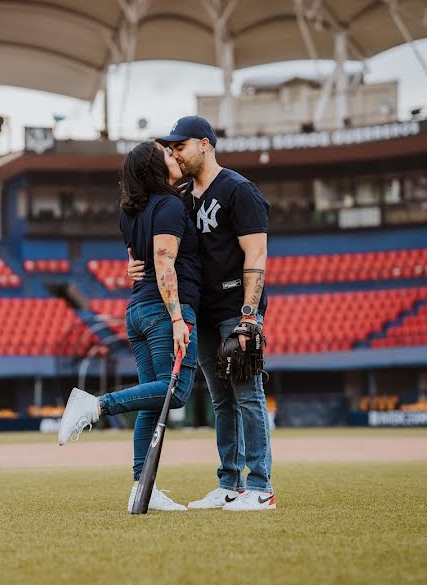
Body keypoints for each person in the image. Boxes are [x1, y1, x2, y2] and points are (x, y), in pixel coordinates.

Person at [129, 116, 275, 511]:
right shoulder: (180, 196)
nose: (175, 152)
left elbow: (256, 253)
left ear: (206, 144)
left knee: (247, 395)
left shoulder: (238, 189)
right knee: (221, 400)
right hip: (201, 311)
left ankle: (260, 487)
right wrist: (133, 265)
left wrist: (249, 314)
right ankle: (229, 483)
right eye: (171, 147)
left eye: (181, 145)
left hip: (234, 308)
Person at [57, 140, 202, 512]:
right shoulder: (169, 206)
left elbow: (135, 260)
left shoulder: (130, 210)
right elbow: (163, 263)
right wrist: (177, 318)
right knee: (178, 391)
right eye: (168, 154)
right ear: (156, 167)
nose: (175, 156)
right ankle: (95, 406)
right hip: (161, 309)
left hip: (137, 309)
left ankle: (143, 489)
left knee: (152, 401)